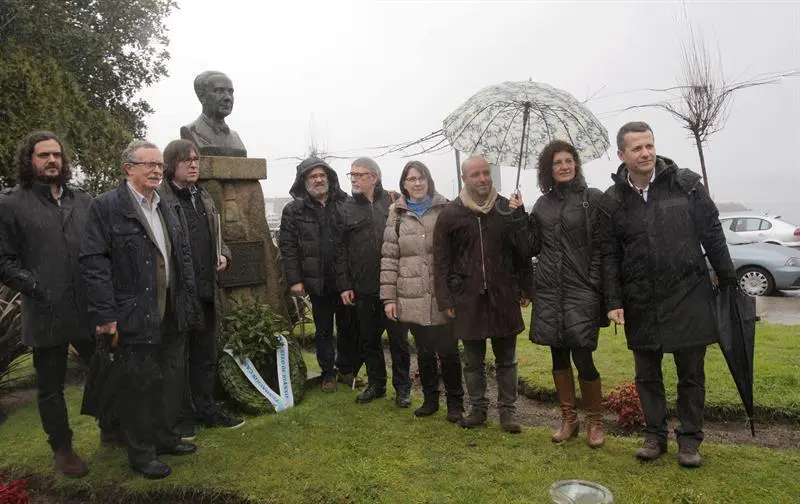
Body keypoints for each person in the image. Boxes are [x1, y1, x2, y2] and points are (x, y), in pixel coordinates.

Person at [599, 121, 736, 467]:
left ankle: (689, 442)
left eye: (649, 145)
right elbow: (609, 254)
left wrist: (728, 279)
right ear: (621, 154)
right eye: (636, 148)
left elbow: (712, 233)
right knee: (647, 374)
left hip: (688, 294)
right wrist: (613, 300)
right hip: (640, 299)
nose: (645, 153)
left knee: (691, 374)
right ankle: (654, 436)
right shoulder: (613, 200)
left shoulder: (686, 186)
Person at [80, 140, 199, 479]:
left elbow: (181, 256)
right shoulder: (105, 207)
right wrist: (106, 315)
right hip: (134, 313)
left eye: (159, 165)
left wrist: (187, 302)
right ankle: (142, 452)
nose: (156, 170)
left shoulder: (167, 205)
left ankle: (164, 438)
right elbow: (94, 263)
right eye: (148, 164)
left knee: (170, 380)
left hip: (172, 311)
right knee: (139, 385)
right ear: (128, 168)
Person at [0, 131, 94, 477]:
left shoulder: (82, 201)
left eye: (56, 155)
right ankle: (63, 449)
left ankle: (113, 428)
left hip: (88, 307)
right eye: (43, 155)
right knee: (51, 388)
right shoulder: (9, 204)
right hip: (45, 310)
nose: (52, 160)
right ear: (29, 160)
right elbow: (4, 261)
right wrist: (37, 287)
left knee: (106, 372)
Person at [511, 140, 606, 447]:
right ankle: (569, 420)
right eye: (557, 163)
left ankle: (595, 422)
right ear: (547, 170)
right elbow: (529, 247)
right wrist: (518, 216)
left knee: (584, 357)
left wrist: (593, 283)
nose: (564, 166)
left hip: (581, 291)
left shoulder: (592, 199)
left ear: (575, 164)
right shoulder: (542, 205)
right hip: (550, 291)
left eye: (568, 160)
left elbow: (602, 249)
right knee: (558, 357)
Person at [433, 155, 532, 433]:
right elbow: (441, 262)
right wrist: (446, 299)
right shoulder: (451, 214)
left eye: (486, 173)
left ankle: (508, 413)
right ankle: (478, 409)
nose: (482, 179)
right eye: (475, 174)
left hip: (503, 296)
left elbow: (522, 252)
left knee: (507, 361)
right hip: (467, 298)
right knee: (473, 361)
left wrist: (525, 288)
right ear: (465, 179)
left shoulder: (506, 208)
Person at [159, 139, 244, 439]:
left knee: (205, 355)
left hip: (208, 292)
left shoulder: (203, 195)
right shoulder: (161, 199)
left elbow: (217, 236)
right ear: (171, 164)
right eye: (187, 160)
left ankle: (206, 409)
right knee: (178, 360)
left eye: (196, 159)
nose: (194, 164)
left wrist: (224, 254)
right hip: (178, 295)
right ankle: (183, 417)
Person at [380, 161, 465, 422]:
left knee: (449, 352)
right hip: (412, 294)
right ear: (404, 183)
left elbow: (458, 253)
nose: (417, 183)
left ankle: (455, 403)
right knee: (425, 352)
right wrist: (389, 298)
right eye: (411, 179)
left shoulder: (446, 209)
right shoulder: (396, 215)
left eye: (421, 178)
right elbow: (389, 257)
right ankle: (430, 400)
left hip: (441, 296)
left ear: (429, 181)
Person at [279, 156, 361, 392]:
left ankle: (346, 369)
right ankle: (328, 374)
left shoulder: (344, 203)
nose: (318, 180)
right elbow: (288, 247)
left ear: (329, 178)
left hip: (344, 280)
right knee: (324, 329)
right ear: (304, 181)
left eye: (321, 175)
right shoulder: (293, 210)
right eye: (313, 176)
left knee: (347, 327)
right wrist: (295, 280)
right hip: (317, 282)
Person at [336, 157, 411, 406]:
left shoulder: (393, 201)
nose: (354, 179)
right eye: (352, 175)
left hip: (394, 286)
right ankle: (377, 384)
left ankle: (402, 389)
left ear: (374, 177)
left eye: (359, 174)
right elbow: (340, 251)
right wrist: (345, 284)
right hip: (363, 286)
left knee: (399, 340)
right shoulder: (345, 208)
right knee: (369, 339)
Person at [180, 70, 247, 157]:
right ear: (202, 96)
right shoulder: (191, 131)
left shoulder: (235, 137)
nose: (228, 97)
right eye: (219, 91)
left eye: (230, 92)